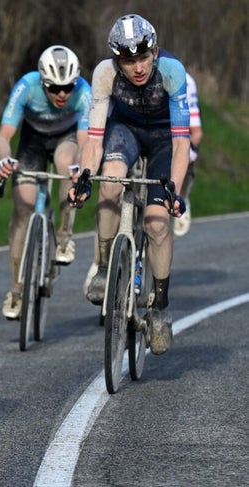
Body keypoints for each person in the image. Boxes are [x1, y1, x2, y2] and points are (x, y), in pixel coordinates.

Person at [69, 14, 190, 355]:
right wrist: (86, 176)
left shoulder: (172, 71)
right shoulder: (104, 74)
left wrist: (174, 190)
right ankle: (105, 267)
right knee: (109, 183)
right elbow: (94, 139)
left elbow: (182, 144)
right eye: (128, 59)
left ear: (154, 51)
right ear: (116, 59)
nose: (137, 67)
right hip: (126, 132)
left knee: (156, 220)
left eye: (143, 57)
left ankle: (160, 307)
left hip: (166, 139)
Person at [0, 45, 92, 320]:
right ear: (42, 81)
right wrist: (4, 160)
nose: (62, 94)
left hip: (67, 139)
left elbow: (84, 143)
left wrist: (80, 169)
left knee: (66, 165)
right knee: (23, 210)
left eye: (68, 87)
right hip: (32, 141)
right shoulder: (26, 86)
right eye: (54, 88)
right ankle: (15, 290)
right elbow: (4, 136)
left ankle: (64, 236)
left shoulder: (85, 92)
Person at [173, 71, 203, 237]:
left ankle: (182, 195)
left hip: (180, 128)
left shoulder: (185, 81)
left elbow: (196, 131)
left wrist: (189, 150)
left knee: (185, 154)